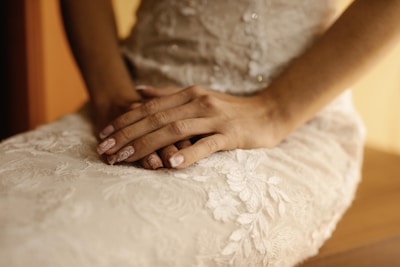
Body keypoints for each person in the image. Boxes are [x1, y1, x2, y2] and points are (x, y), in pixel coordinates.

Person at [1, 0, 399, 266]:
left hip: (285, 121)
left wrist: (273, 110)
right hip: (123, 103)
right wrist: (111, 95)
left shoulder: (278, 114)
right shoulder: (116, 106)